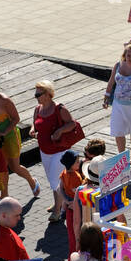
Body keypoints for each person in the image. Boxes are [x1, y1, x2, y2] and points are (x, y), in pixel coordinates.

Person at [0, 76, 38, 197]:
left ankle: (32, 181)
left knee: (15, 167)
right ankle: (4, 195)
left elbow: (16, 119)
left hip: (10, 136)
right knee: (1, 168)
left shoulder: (5, 101)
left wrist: (4, 132)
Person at [33, 79, 78, 222]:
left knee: (54, 180)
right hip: (44, 150)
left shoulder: (59, 108)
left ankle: (58, 212)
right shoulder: (37, 109)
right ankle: (57, 203)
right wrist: (33, 131)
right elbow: (35, 125)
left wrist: (60, 131)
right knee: (53, 180)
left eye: (38, 94)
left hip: (59, 150)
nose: (36, 97)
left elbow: (72, 124)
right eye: (36, 94)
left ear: (47, 94)